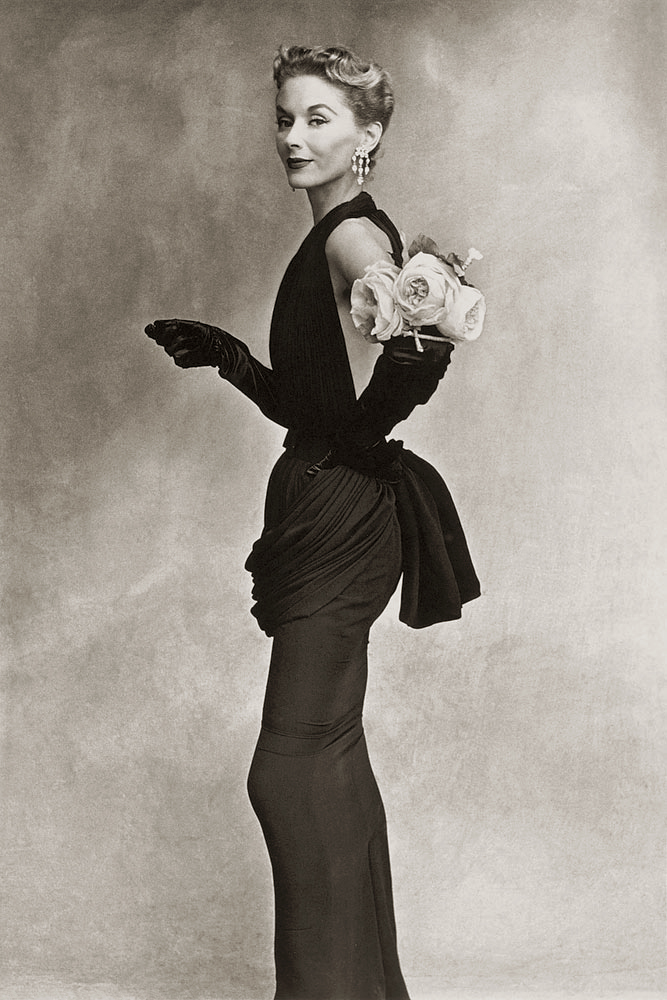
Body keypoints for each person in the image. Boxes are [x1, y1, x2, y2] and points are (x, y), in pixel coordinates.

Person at [145, 43, 480, 1000]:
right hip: (334, 500)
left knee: (289, 769)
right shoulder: (338, 229)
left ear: (367, 135)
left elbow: (405, 355)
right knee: (328, 755)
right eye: (284, 119)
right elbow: (324, 400)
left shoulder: (350, 238)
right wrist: (239, 364)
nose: (294, 136)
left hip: (339, 512)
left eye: (318, 119)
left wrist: (393, 373)